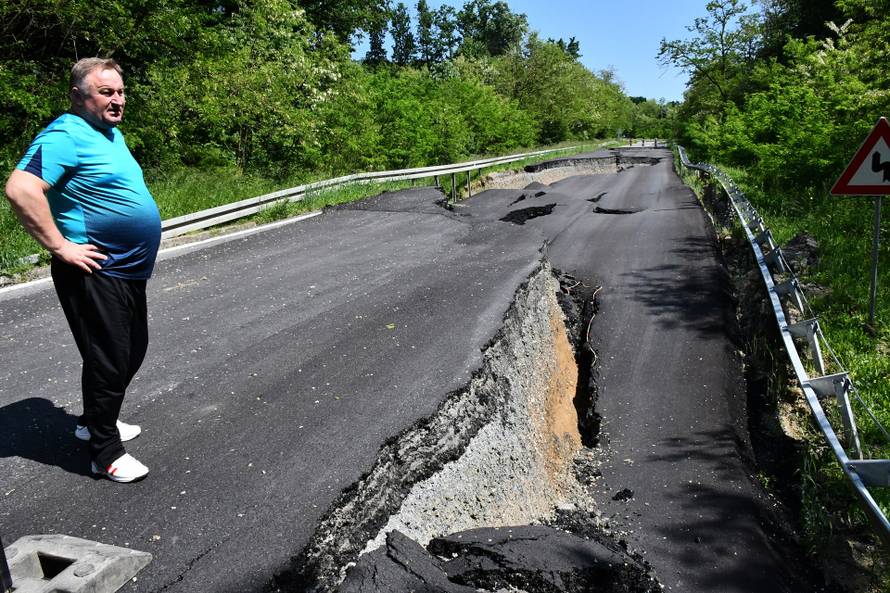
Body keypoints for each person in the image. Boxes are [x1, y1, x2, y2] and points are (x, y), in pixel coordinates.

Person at [4, 58, 161, 483]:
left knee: (131, 350)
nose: (117, 100)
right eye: (106, 92)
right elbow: (20, 188)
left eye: (121, 91)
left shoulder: (109, 134)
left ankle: (94, 420)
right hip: (94, 271)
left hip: (127, 270)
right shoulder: (65, 135)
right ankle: (104, 452)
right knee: (109, 360)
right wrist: (59, 246)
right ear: (78, 96)